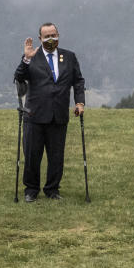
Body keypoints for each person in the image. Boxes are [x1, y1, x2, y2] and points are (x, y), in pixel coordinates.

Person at [14, 23, 85, 202]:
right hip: (34, 114)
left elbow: (78, 81)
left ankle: (52, 189)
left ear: (58, 35)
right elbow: (19, 77)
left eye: (53, 35)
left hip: (58, 114)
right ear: (40, 38)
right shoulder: (32, 56)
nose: (50, 39)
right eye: (47, 36)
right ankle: (31, 189)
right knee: (32, 154)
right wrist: (26, 59)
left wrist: (79, 102)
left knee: (56, 155)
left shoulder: (69, 57)